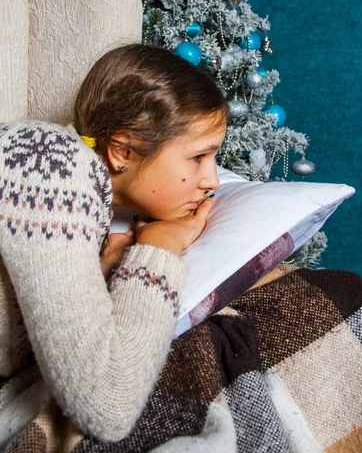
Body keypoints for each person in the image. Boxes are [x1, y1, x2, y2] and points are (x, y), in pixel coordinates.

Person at [0, 44, 229, 442]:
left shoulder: (90, 197)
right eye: (197, 157)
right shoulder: (48, 164)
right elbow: (109, 407)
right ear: (122, 150)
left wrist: (103, 267)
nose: (212, 180)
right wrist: (159, 248)